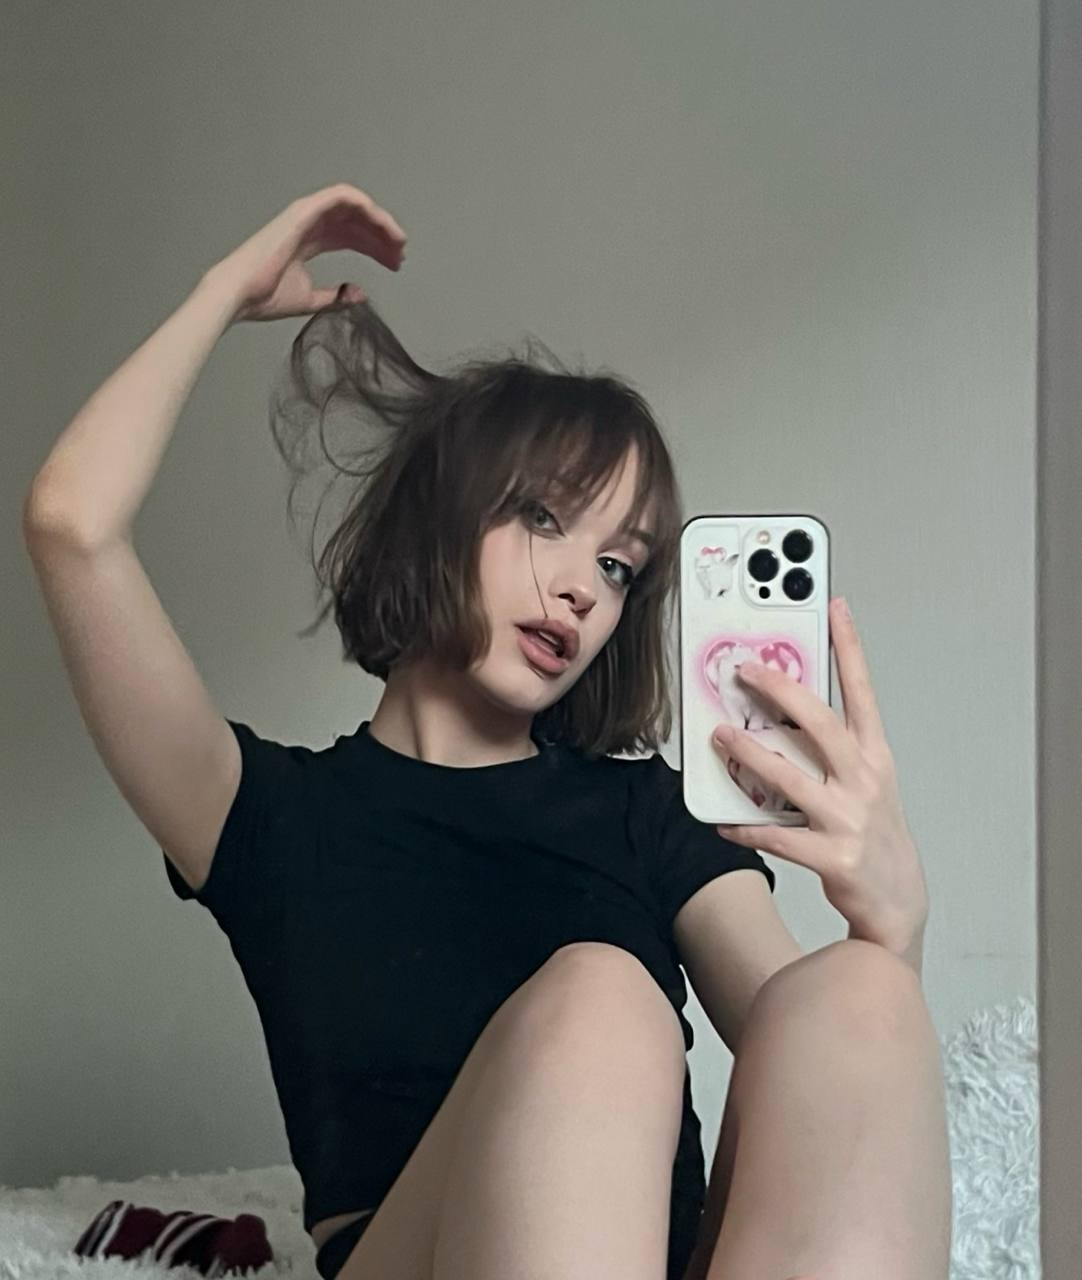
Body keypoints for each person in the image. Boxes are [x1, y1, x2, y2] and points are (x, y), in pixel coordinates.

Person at [23, 183, 951, 1280]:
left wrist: (891, 927)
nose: (582, 590)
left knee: (854, 988)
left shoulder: (641, 811)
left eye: (619, 567)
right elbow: (72, 525)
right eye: (543, 517)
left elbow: (819, 1069)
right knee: (600, 997)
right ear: (439, 514)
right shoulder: (268, 815)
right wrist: (222, 293)